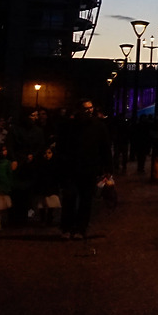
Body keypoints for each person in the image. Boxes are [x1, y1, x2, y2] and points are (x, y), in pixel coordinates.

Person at [56, 100, 113, 240]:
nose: (88, 111)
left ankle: (79, 228)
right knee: (71, 197)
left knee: (85, 199)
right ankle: (69, 227)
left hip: (88, 167)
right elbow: (61, 146)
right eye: (86, 108)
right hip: (73, 166)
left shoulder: (98, 126)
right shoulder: (70, 126)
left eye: (90, 108)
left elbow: (105, 147)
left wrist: (107, 167)